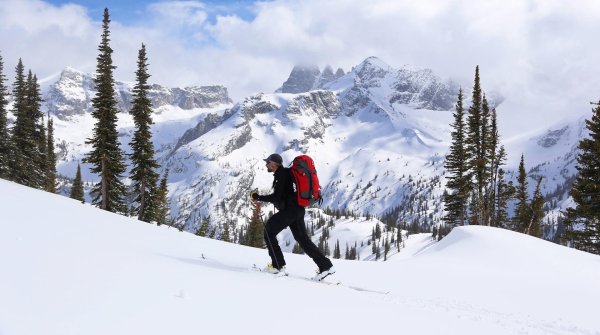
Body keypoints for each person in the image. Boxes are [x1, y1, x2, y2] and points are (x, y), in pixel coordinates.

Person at [250, 153, 335, 281]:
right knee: (303, 240)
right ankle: (325, 266)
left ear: (274, 164)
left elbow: (276, 197)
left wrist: (258, 197)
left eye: (267, 162)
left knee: (269, 231)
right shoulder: (285, 173)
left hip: (291, 211)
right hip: (298, 210)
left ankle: (278, 266)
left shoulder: (281, 174)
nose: (266, 164)